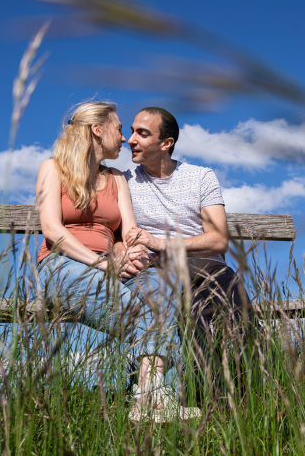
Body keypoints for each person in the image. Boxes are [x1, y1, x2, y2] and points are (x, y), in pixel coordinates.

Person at [35, 101, 200, 422]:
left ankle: (147, 399)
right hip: (64, 266)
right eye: (120, 129)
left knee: (161, 283)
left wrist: (132, 248)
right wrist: (102, 265)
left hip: (112, 270)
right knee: (147, 314)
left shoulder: (116, 179)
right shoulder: (52, 168)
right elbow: (53, 231)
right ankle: (152, 396)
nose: (124, 139)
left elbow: (130, 229)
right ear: (98, 130)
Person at [121, 107, 254, 406]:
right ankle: (199, 399)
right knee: (186, 307)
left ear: (166, 143)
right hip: (155, 272)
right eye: (131, 131)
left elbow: (218, 238)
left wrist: (163, 243)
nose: (130, 140)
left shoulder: (200, 176)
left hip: (203, 265)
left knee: (224, 303)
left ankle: (237, 395)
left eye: (142, 133)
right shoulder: (124, 181)